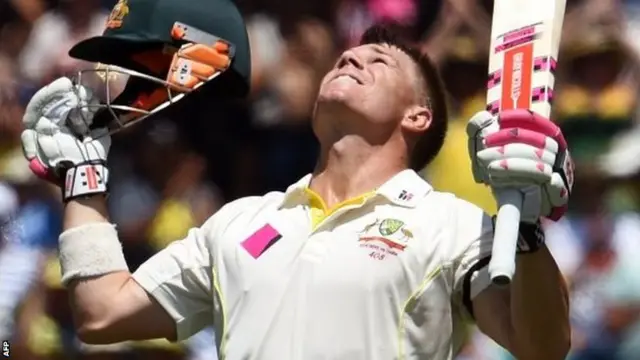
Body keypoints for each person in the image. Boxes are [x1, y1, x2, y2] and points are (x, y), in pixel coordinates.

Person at [18, 0, 574, 358]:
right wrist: (83, 180)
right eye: (348, 56)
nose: (352, 59)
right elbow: (101, 313)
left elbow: (543, 346)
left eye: (378, 62)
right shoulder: (240, 221)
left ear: (418, 117)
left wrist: (522, 227)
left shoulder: (451, 225)